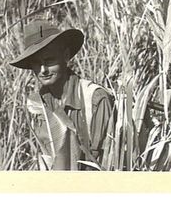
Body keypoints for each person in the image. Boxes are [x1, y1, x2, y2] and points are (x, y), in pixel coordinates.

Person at [10, 19, 113, 170]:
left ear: (65, 56)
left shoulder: (95, 99)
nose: (43, 70)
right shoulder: (39, 104)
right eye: (37, 63)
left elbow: (103, 161)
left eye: (49, 60)